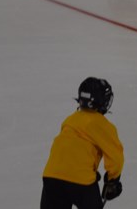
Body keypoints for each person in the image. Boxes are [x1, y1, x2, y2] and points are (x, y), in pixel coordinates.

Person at [41, 77, 124, 209]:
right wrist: (112, 181)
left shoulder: (70, 120)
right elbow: (115, 156)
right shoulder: (103, 125)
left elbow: (68, 148)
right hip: (81, 181)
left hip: (51, 177)